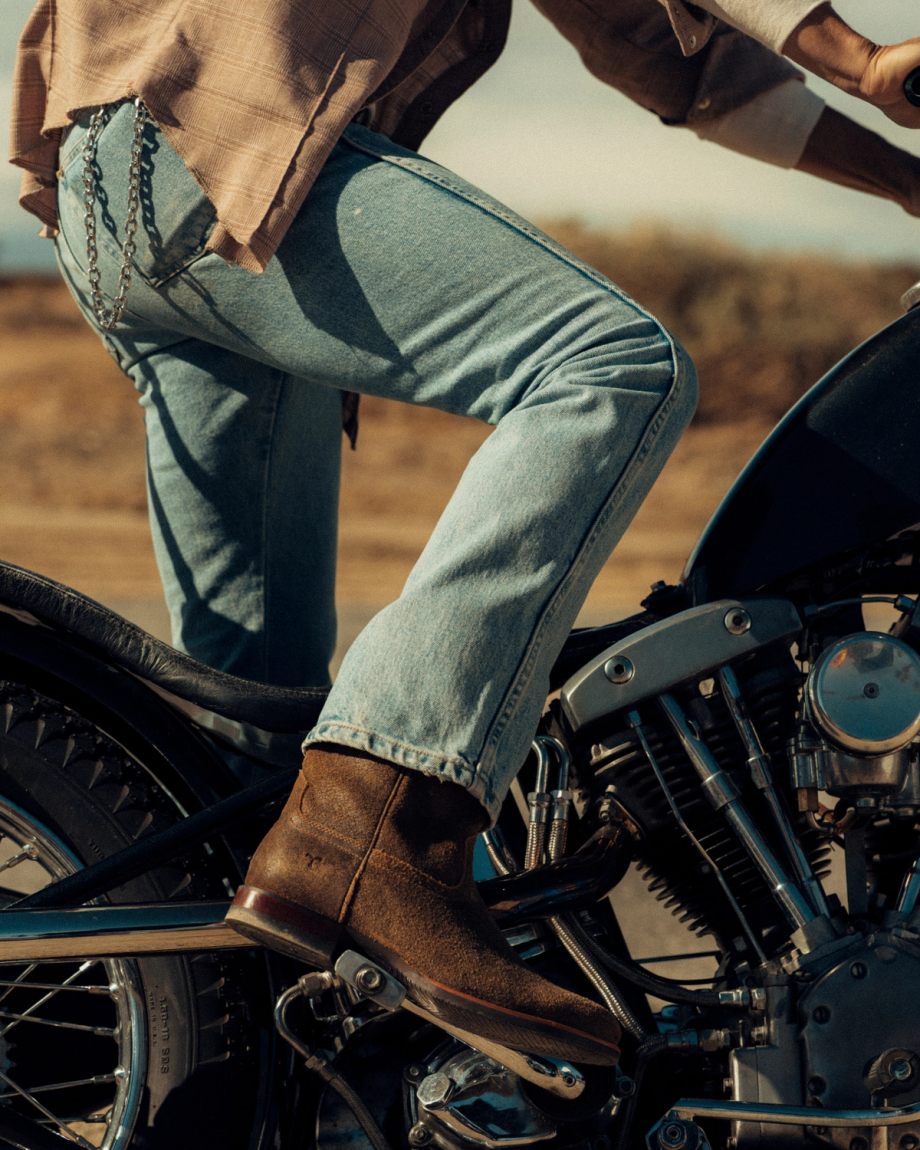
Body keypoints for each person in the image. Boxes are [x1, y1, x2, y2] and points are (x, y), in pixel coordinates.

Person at [10, 0, 920, 1065]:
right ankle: (377, 830)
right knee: (609, 367)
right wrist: (855, 57)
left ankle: (259, 1059)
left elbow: (682, 64)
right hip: (203, 144)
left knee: (255, 737)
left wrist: (907, 182)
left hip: (123, 187)